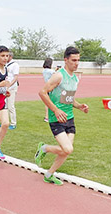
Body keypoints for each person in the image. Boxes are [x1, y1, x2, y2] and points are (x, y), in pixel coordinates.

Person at [34, 46, 89, 185]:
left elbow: (67, 98)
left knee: (66, 152)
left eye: (78, 60)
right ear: (66, 60)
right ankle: (44, 148)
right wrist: (55, 110)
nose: (76, 63)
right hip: (56, 119)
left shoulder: (75, 79)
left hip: (69, 118)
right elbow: (42, 92)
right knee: (68, 149)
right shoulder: (59, 75)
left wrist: (79, 106)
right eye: (73, 60)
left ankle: (49, 174)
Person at [5, 51, 19, 129]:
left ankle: (13, 123)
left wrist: (10, 85)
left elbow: (16, 77)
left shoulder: (15, 65)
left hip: (12, 87)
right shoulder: (5, 64)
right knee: (4, 106)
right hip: (5, 87)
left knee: (10, 106)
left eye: (7, 56)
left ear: (10, 57)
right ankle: (5, 122)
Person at [41, 57, 55, 122]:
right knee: (52, 102)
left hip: (47, 86)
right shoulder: (51, 71)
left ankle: (46, 116)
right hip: (52, 87)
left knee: (47, 103)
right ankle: (50, 115)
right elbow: (56, 75)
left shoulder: (44, 71)